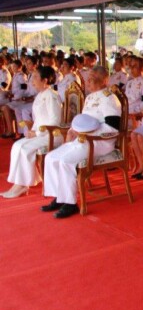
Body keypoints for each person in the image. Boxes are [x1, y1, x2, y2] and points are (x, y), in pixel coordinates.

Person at [41, 66, 122, 218]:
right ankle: (59, 197)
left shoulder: (109, 98)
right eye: (88, 77)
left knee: (66, 161)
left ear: (104, 80)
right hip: (82, 139)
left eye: (93, 78)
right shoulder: (90, 97)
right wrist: (73, 130)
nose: (88, 80)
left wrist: (87, 133)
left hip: (100, 142)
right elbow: (83, 121)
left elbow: (113, 128)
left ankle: (70, 203)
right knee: (51, 157)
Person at [2, 67, 62, 198]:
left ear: (45, 80)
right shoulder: (40, 95)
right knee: (17, 146)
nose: (32, 81)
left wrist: (37, 133)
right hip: (40, 134)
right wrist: (32, 130)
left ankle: (23, 185)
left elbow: (55, 121)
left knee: (24, 149)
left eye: (35, 77)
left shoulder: (52, 96)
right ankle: (18, 183)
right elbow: (39, 119)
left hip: (52, 135)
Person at [6, 56, 38, 138]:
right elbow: (28, 90)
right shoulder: (29, 75)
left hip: (36, 100)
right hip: (28, 98)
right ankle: (22, 132)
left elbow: (32, 90)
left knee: (24, 110)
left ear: (35, 65)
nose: (27, 65)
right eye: (26, 64)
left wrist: (23, 97)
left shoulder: (36, 75)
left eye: (29, 63)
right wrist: (22, 97)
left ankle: (27, 133)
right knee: (17, 109)